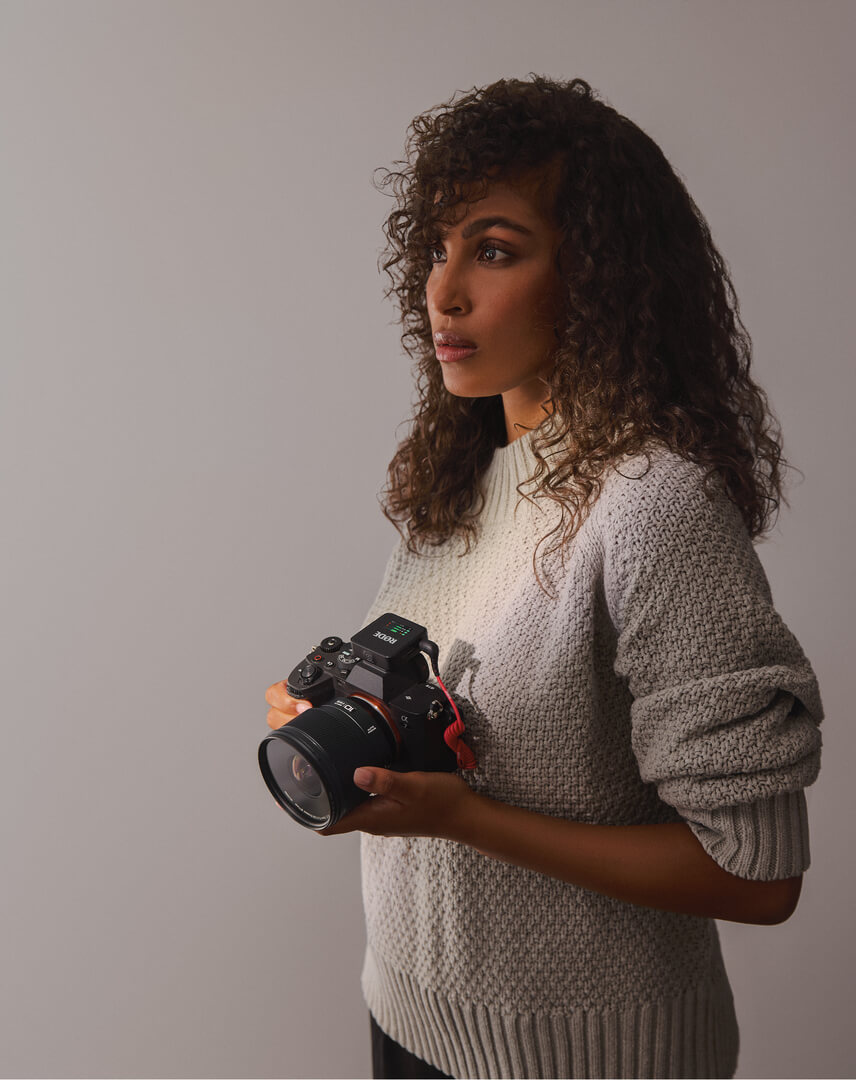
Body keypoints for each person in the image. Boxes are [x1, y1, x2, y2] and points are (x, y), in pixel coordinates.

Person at [265, 75, 824, 1080]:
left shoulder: (655, 505)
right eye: (437, 250)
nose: (443, 289)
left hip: (581, 1059)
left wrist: (463, 820)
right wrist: (343, 723)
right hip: (405, 1016)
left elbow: (757, 870)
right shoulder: (461, 477)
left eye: (493, 249)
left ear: (602, 277)